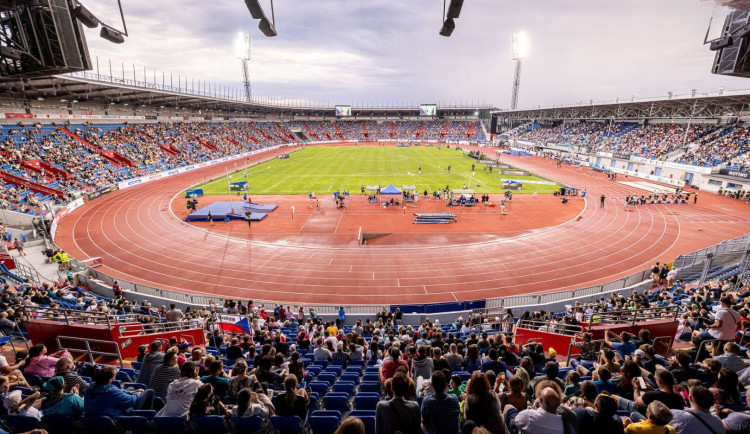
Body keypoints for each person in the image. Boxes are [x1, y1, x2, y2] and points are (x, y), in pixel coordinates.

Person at [84, 366, 154, 417]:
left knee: (130, 388)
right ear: (109, 379)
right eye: (114, 375)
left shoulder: (89, 387)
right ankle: (147, 417)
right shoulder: (111, 391)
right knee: (149, 391)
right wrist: (138, 393)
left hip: (93, 415)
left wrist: (131, 392)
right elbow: (131, 400)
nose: (115, 376)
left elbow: (118, 393)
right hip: (113, 415)